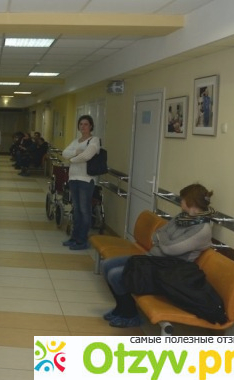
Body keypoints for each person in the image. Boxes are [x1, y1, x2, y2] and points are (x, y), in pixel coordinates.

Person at [101, 183, 215, 328]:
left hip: (167, 272)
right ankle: (121, 309)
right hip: (153, 260)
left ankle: (130, 315)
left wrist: (163, 241)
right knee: (107, 265)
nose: (180, 202)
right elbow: (157, 233)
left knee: (116, 275)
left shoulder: (202, 229)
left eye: (182, 199)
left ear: (190, 202)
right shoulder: (182, 217)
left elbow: (171, 249)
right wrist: (165, 241)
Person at [61, 115, 100, 250]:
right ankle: (74, 237)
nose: (83, 127)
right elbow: (64, 153)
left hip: (86, 180)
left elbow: (87, 156)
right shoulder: (76, 141)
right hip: (73, 178)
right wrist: (77, 152)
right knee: (76, 210)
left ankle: (82, 240)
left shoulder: (94, 140)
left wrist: (72, 159)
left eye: (86, 124)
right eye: (81, 124)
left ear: (91, 126)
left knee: (84, 210)